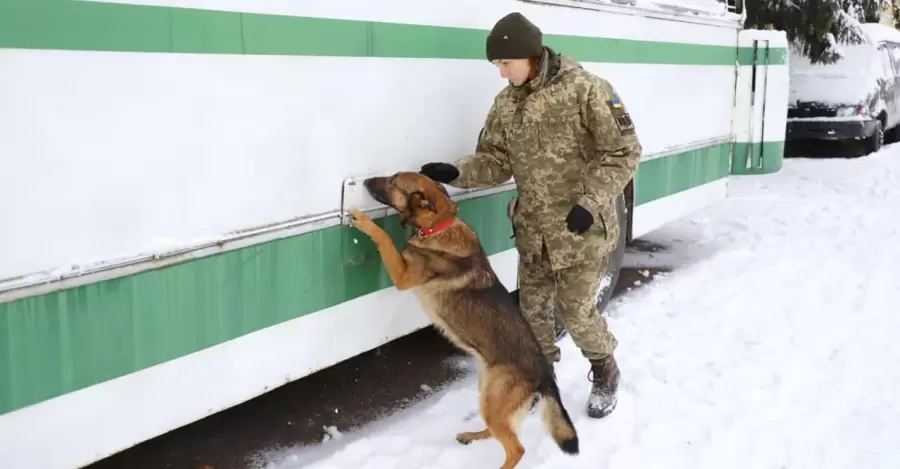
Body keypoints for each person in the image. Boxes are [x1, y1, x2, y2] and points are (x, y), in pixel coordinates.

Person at [419, 12, 642, 418]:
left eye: (506, 64)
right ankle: (541, 384)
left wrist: (590, 204)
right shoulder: (506, 103)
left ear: (529, 55)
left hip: (582, 230)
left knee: (577, 314)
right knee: (532, 319)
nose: (501, 74)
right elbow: (495, 160)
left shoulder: (585, 90)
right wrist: (457, 173)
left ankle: (605, 369)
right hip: (534, 233)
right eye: (497, 66)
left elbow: (624, 152)